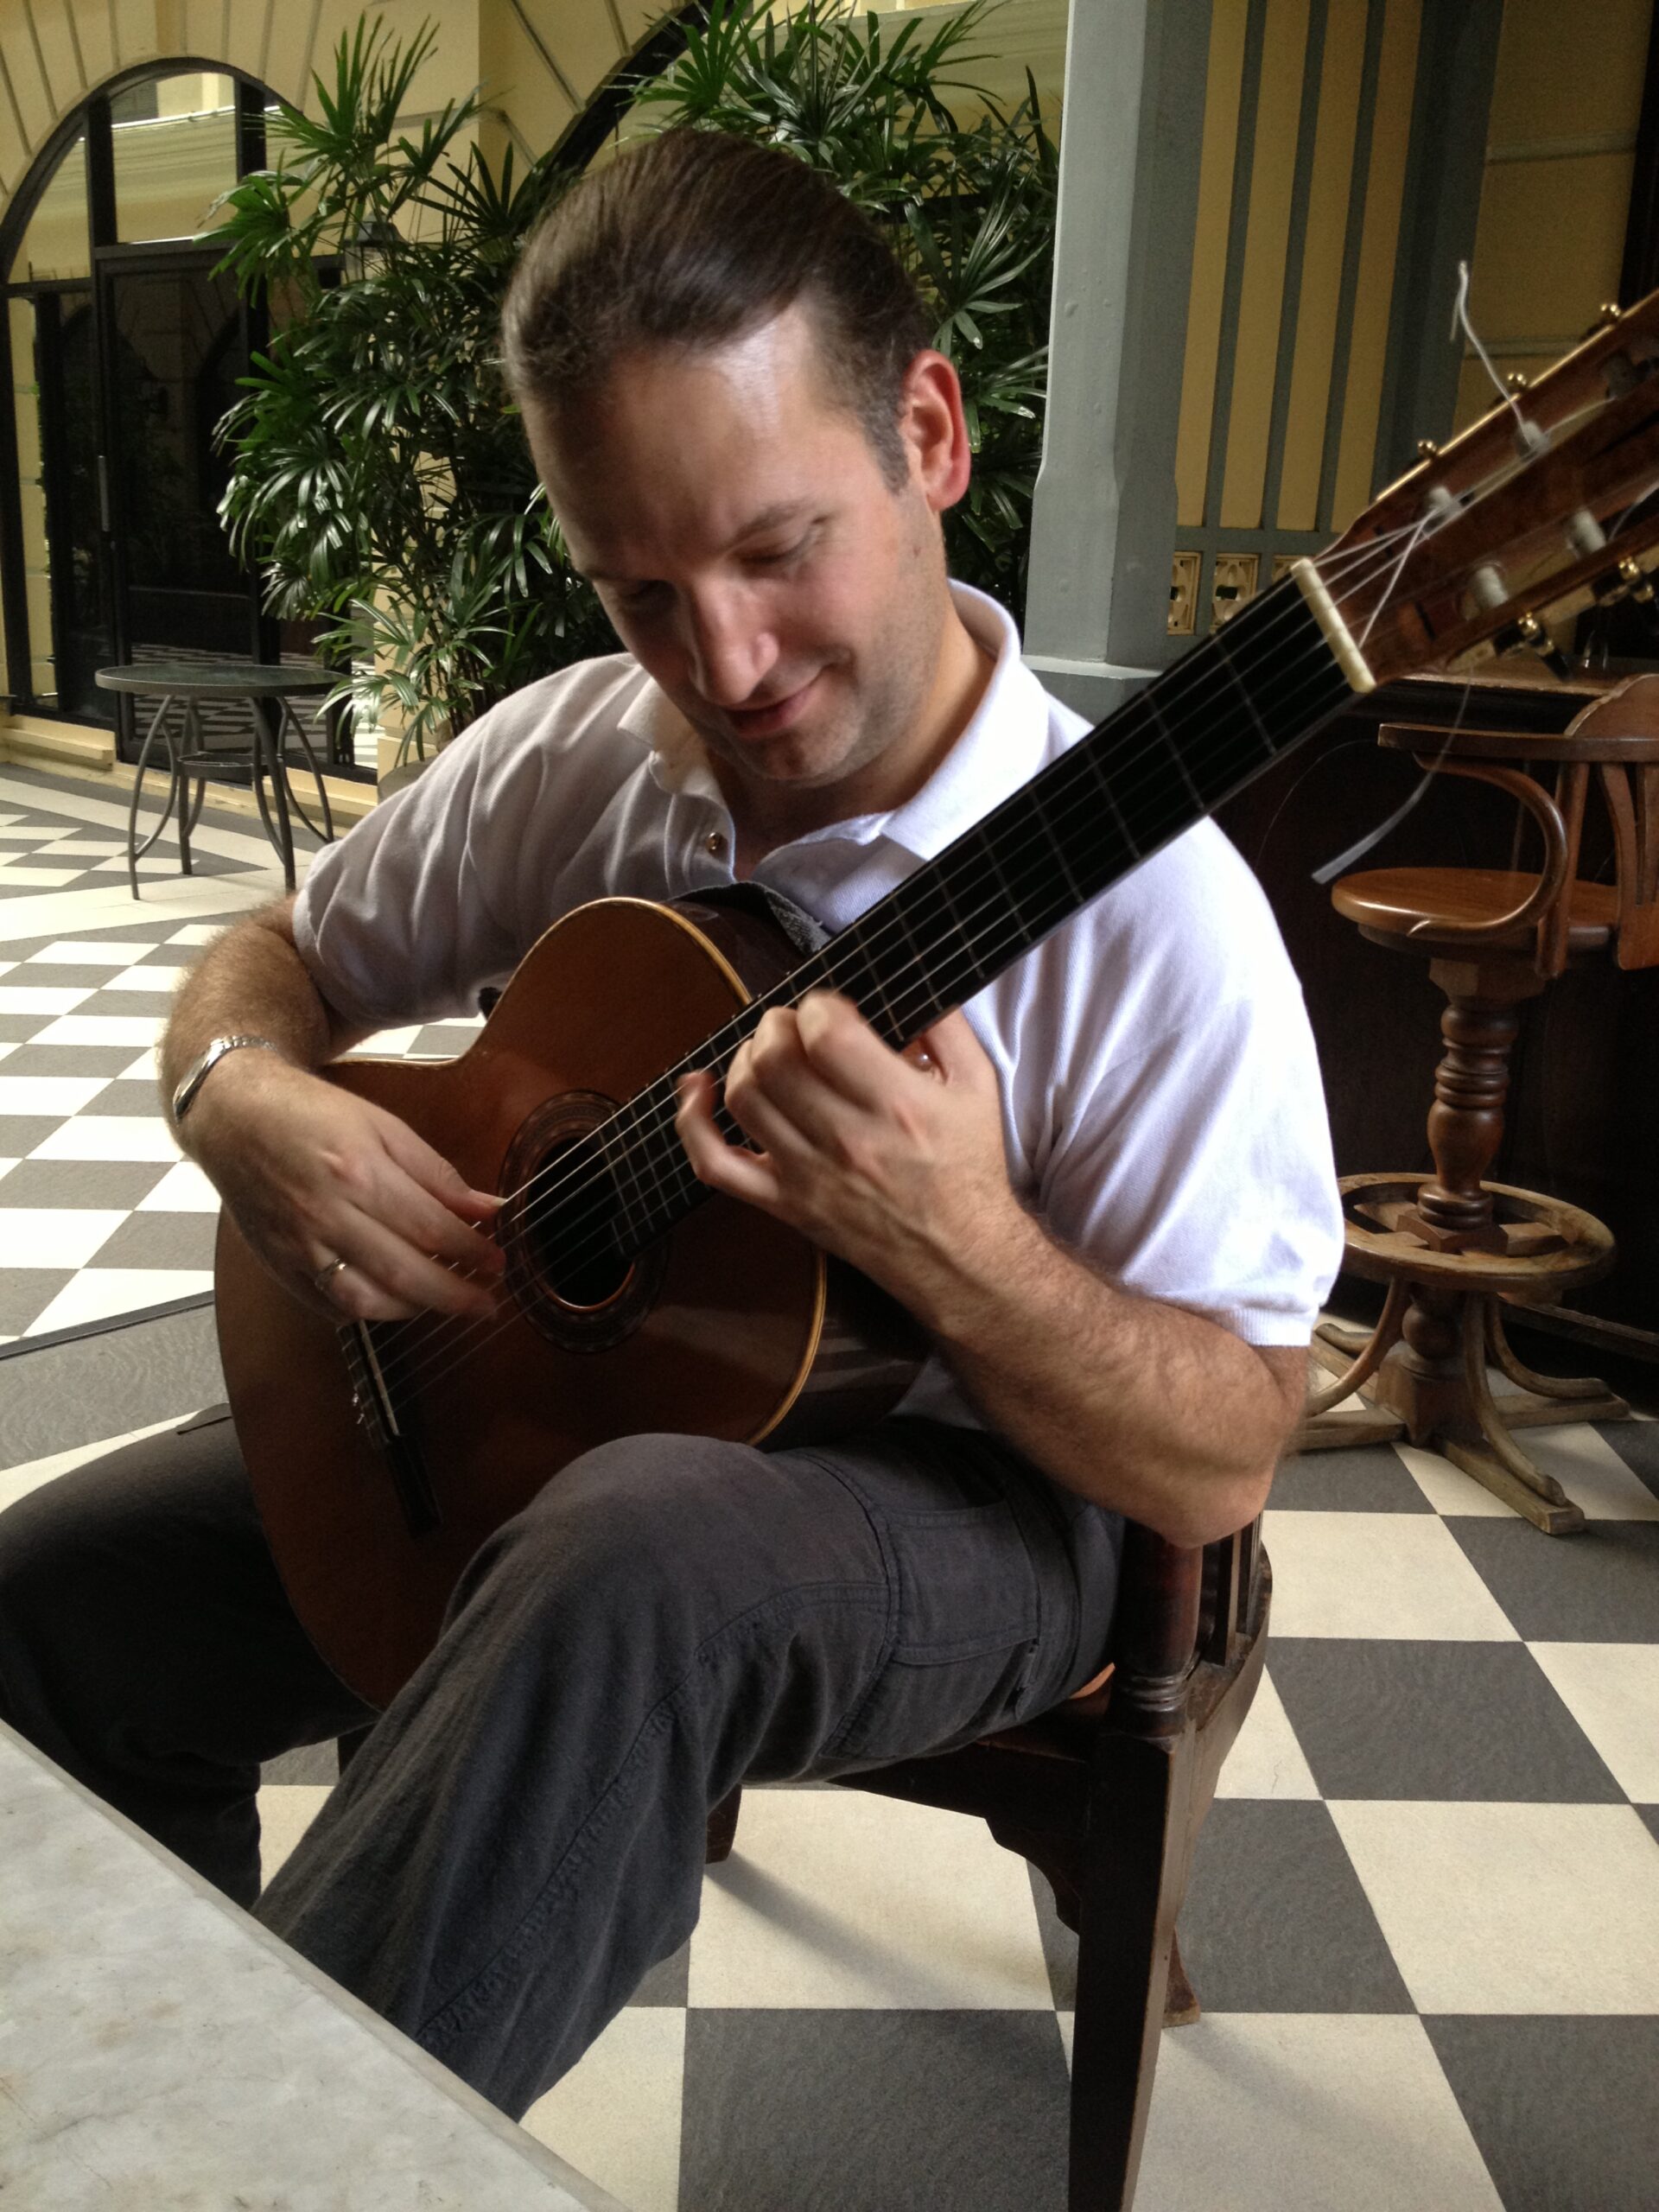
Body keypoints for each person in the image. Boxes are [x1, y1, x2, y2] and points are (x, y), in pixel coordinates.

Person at [0, 130, 1341, 2117]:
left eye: (779, 548)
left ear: (930, 434)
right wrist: (239, 1094)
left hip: (994, 1485)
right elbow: (273, 955)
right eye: (640, 588)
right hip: (536, 1404)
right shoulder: (581, 754)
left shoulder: (1162, 919)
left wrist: (961, 1243)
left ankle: (275, 2158)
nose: (722, 662)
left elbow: (1224, 1450)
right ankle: (121, 2099)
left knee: (626, 1553)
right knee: (52, 1605)